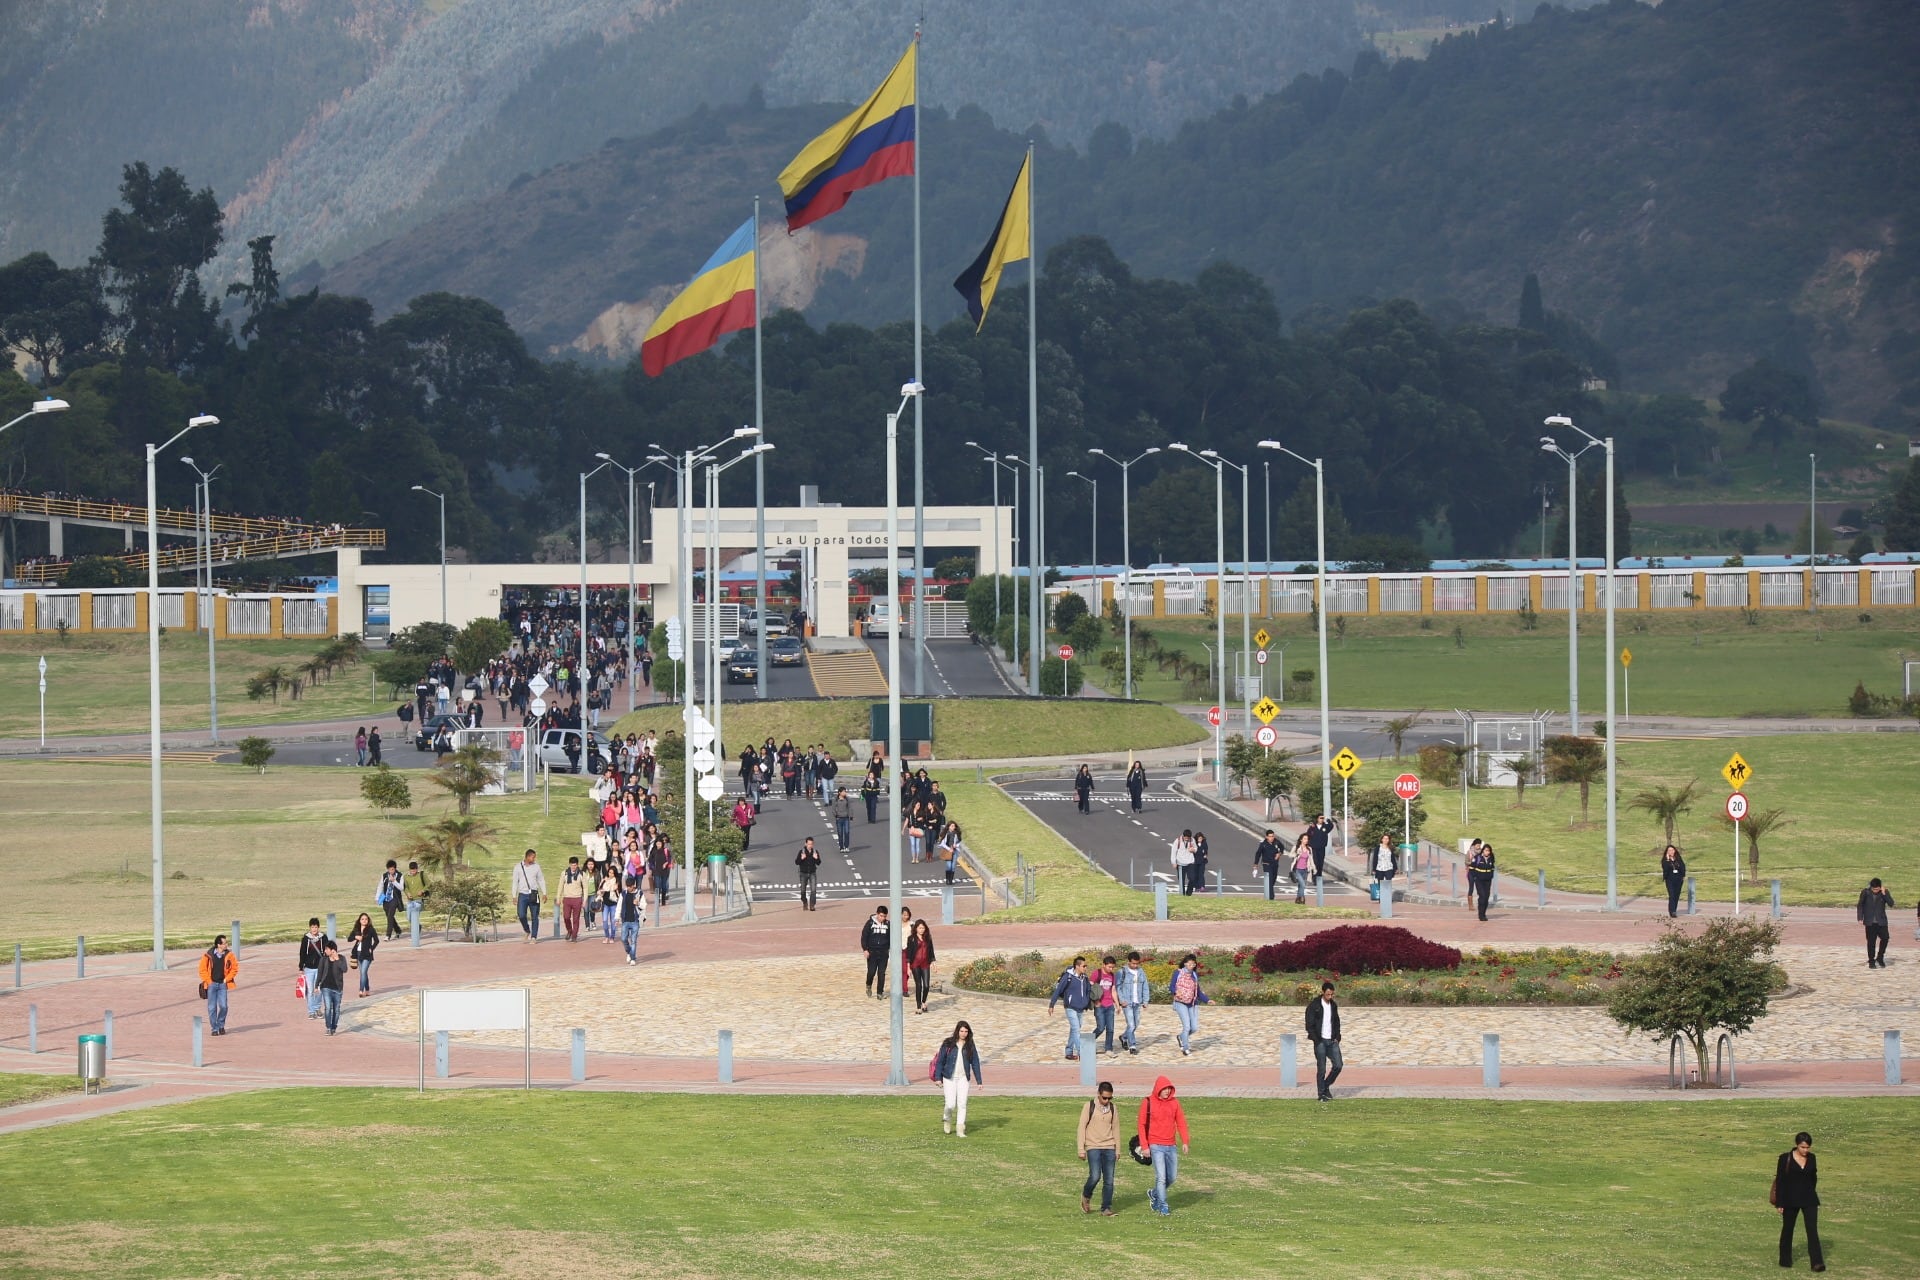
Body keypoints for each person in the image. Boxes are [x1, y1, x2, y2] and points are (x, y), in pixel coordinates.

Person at [1137, 1076, 1189, 1216]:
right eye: (1164, 1089)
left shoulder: (1175, 1103)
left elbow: (1181, 1123)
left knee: (1172, 1177)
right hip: (1155, 1145)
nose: (1167, 1091)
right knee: (1161, 1177)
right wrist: (1145, 1146)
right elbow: (1141, 1125)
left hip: (1171, 1145)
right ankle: (1163, 1206)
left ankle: (1154, 1194)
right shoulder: (1147, 1102)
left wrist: (1185, 1141)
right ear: (1158, 1089)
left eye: (1168, 1089)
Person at [1774, 1131, 1824, 1271]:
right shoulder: (1785, 1158)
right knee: (1788, 1229)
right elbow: (1780, 1181)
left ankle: (1817, 1262)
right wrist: (1780, 1203)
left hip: (1809, 1199)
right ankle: (1785, 1260)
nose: (1805, 1150)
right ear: (1797, 1145)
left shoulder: (1812, 1158)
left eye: (1808, 1147)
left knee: (1812, 1230)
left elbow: (1813, 1177)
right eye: (1803, 1147)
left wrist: (1810, 1191)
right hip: (1790, 1200)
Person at [1077, 1081, 1121, 1216]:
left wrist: (1118, 1149)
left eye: (1109, 1098)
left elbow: (1116, 1129)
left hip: (1109, 1146)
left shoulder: (1113, 1108)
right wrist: (1081, 1149)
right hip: (1093, 1146)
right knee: (1095, 1176)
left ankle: (1106, 1208)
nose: (1107, 1101)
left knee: (1109, 1180)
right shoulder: (1089, 1106)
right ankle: (1086, 1195)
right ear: (1098, 1094)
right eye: (1104, 1098)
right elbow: (1081, 1127)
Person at [933, 1020, 982, 1136]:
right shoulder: (948, 1043)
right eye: (962, 1031)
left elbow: (975, 1062)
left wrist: (979, 1081)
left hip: (963, 1078)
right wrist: (938, 1077)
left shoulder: (970, 1045)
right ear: (957, 1031)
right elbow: (940, 1061)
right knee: (950, 1104)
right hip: (949, 1077)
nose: (964, 1033)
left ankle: (960, 1129)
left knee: (962, 1103)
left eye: (966, 1031)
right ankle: (947, 1119)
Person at [1049, 955, 1095, 1060]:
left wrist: (1087, 1002)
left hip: (1081, 1008)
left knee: (1074, 1030)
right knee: (1076, 1029)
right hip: (1070, 1007)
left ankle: (1069, 1051)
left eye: (1086, 966)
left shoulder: (1085, 978)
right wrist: (1052, 1005)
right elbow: (1058, 990)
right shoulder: (1067, 977)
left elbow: (1088, 991)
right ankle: (1081, 1053)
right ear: (1077, 966)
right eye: (1084, 966)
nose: (1086, 968)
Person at [1307, 980, 1343, 1101]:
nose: (1330, 996)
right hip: (1320, 1041)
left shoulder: (1333, 1005)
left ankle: (1326, 1085)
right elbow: (1309, 1025)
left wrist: (1337, 1037)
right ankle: (1321, 1094)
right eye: (1328, 994)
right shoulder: (1314, 1005)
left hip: (1332, 1041)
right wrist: (1317, 1040)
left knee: (1338, 1065)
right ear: (1323, 992)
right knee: (1322, 1068)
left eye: (1332, 994)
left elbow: (1337, 1022)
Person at [197, 934, 238, 1036]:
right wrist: (209, 981)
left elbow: (234, 968)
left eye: (226, 943)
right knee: (212, 1008)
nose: (227, 945)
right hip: (211, 985)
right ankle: (214, 1029)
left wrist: (226, 979)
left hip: (222, 985)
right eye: (225, 943)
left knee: (224, 1006)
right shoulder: (208, 955)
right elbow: (202, 970)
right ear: (218, 945)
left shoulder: (230, 955)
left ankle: (220, 1025)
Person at [1169, 953, 1210, 1056]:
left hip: (1192, 1003)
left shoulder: (1194, 975)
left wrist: (1207, 1000)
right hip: (1180, 1002)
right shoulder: (1177, 973)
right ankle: (1185, 1048)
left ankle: (1181, 1037)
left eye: (1193, 964)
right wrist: (1176, 992)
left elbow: (1198, 991)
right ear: (1185, 963)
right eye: (1190, 963)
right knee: (1187, 1027)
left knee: (1194, 1028)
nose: (1192, 965)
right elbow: (1171, 987)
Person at [1857, 877, 1895, 968]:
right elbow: (1860, 905)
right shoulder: (1865, 892)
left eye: (1877, 889)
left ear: (1880, 887)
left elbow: (1891, 904)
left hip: (1881, 921)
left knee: (1885, 938)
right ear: (1871, 887)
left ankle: (1880, 957)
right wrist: (1860, 917)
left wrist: (1884, 893)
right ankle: (1871, 961)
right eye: (1874, 889)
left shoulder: (1884, 892)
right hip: (1870, 922)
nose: (1875, 891)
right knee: (1871, 942)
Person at [1117, 951, 1150, 1055]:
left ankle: (1124, 1037)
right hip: (1127, 1003)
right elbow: (1118, 987)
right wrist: (1122, 1000)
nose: (1135, 965)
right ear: (1129, 962)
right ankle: (1132, 1046)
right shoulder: (1122, 972)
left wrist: (1145, 1000)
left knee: (1136, 1024)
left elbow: (1145, 986)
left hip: (1137, 1002)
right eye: (1133, 963)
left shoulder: (1141, 972)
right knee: (1131, 1025)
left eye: (1137, 963)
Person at [512, 849, 547, 943]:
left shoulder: (537, 867)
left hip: (534, 894)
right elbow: (515, 882)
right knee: (521, 915)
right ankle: (527, 930)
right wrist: (514, 896)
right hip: (522, 895)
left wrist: (544, 893)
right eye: (533, 857)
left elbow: (541, 880)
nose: (534, 859)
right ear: (527, 857)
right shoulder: (518, 867)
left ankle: (534, 937)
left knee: (535, 916)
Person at [298, 918, 329, 1020]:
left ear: (318, 927)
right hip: (309, 968)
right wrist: (301, 967)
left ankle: (317, 1009)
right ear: (310, 928)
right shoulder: (306, 939)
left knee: (319, 989)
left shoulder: (323, 938)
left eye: (316, 927)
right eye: (312, 927)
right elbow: (302, 953)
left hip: (320, 968)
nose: (314, 929)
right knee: (310, 990)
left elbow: (327, 951)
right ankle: (311, 1011)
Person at [905, 919, 936, 1013]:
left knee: (926, 985)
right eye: (920, 928)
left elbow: (931, 951)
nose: (922, 930)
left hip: (925, 964)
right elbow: (908, 953)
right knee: (919, 985)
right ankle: (918, 1007)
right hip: (915, 964)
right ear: (916, 928)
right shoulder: (911, 938)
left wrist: (933, 962)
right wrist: (908, 967)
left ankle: (923, 1002)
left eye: (923, 928)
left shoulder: (928, 938)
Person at [317, 940, 348, 1035]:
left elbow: (344, 969)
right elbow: (320, 972)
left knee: (336, 1009)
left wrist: (337, 959)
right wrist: (316, 985)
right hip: (326, 987)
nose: (325, 951)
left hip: (337, 988)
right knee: (328, 1007)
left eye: (327, 949)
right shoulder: (323, 959)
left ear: (333, 950)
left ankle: (334, 1027)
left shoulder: (341, 958)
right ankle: (328, 1027)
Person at [861, 906, 891, 998]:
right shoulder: (870, 923)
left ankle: (879, 992)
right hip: (872, 952)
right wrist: (865, 949)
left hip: (883, 952)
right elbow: (864, 937)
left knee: (881, 973)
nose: (883, 918)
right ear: (877, 914)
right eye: (881, 916)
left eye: (885, 916)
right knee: (871, 972)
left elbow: (891, 937)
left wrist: (889, 949)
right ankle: (868, 985)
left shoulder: (888, 924)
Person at [347, 912, 378, 996]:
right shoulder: (356, 929)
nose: (364, 920)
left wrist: (372, 948)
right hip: (358, 953)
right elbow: (349, 939)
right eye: (362, 919)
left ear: (368, 920)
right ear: (359, 920)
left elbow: (376, 940)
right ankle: (367, 989)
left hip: (367, 954)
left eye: (366, 919)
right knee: (363, 973)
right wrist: (355, 937)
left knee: (363, 972)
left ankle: (361, 990)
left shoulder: (371, 929)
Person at [1092, 956, 1119, 1054]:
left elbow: (1113, 990)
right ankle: (1087, 1042)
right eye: (1109, 967)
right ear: (1104, 965)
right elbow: (1090, 988)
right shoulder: (1097, 973)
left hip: (1110, 1005)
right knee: (1100, 1027)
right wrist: (1095, 1001)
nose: (1111, 969)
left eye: (1112, 967)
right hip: (1099, 1005)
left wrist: (1117, 1004)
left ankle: (1108, 1048)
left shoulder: (1112, 976)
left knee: (1110, 1029)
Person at [559, 856, 588, 942]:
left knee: (576, 919)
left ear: (577, 865)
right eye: (572, 865)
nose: (573, 867)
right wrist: (558, 897)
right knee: (566, 917)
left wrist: (585, 900)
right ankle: (569, 931)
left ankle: (574, 935)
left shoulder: (582, 874)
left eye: (575, 865)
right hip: (567, 898)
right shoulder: (564, 873)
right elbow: (560, 886)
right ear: (569, 865)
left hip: (577, 898)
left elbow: (585, 888)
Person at [618, 874, 645, 965]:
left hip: (635, 920)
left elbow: (644, 905)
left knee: (633, 940)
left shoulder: (639, 893)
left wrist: (638, 904)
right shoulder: (623, 894)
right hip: (625, 920)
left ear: (634, 885)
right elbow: (619, 906)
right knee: (623, 939)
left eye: (630, 886)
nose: (628, 888)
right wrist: (617, 917)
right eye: (627, 886)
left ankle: (633, 958)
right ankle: (629, 952)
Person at [1467, 838, 1495, 920]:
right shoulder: (1477, 858)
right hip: (1479, 881)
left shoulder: (1491, 858)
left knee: (1486, 898)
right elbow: (1471, 868)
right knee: (1482, 896)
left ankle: (1484, 913)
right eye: (1486, 850)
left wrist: (1491, 876)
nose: (1487, 852)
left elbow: (1492, 868)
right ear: (1483, 851)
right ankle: (1481, 914)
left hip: (1488, 881)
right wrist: (1475, 877)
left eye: (1489, 851)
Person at [378, 859, 405, 940]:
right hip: (386, 898)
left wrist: (394, 881)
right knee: (389, 916)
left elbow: (401, 888)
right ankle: (398, 930)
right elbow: (380, 886)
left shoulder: (400, 876)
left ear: (395, 868)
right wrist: (377, 897)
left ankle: (388, 935)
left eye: (392, 869)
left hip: (395, 899)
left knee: (390, 916)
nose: (391, 871)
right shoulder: (384, 875)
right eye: (389, 869)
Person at [1254, 829, 1283, 900]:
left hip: (1275, 864)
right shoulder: (1263, 844)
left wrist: (1279, 854)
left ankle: (1268, 891)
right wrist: (1255, 865)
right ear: (1266, 837)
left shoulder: (1276, 842)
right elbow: (1258, 854)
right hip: (1266, 864)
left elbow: (1282, 847)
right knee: (1269, 880)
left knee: (1273, 879)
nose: (1271, 838)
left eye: (1272, 836)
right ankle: (1271, 897)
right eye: (1270, 836)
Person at [795, 836, 823, 911]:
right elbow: (796, 862)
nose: (810, 845)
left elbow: (819, 863)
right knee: (803, 891)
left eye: (811, 844)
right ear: (806, 844)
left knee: (813, 890)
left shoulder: (815, 852)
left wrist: (816, 858)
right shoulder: (801, 852)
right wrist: (801, 858)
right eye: (809, 844)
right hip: (803, 873)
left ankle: (812, 905)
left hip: (812, 873)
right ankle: (805, 902)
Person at [402, 860, 428, 936]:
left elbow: (429, 884)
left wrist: (422, 891)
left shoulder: (422, 875)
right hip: (410, 900)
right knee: (409, 917)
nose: (413, 872)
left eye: (414, 870)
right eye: (411, 870)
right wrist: (407, 893)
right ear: (409, 869)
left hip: (419, 900)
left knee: (415, 917)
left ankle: (415, 935)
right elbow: (405, 887)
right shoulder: (406, 877)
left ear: (417, 869)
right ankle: (418, 926)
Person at [1660, 844, 1688, 918]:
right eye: (1669, 850)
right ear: (1667, 852)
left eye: (1672, 850)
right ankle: (1672, 911)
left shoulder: (1678, 858)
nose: (1671, 851)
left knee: (1676, 895)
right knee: (1672, 895)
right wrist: (1667, 860)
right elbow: (1665, 869)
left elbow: (1683, 867)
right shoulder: (1665, 860)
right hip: (1670, 880)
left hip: (1678, 879)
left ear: (1675, 851)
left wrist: (1683, 875)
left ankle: (1674, 910)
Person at [1170, 830, 1197, 896]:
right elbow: (1173, 852)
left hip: (1190, 862)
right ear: (1183, 836)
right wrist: (1174, 862)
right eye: (1186, 838)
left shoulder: (1192, 840)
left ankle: (1189, 893)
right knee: (1181, 880)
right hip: (1180, 864)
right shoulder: (1177, 841)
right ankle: (1182, 894)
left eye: (1188, 838)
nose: (1187, 839)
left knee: (1192, 878)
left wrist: (1193, 850)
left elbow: (1196, 848)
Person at [1306, 813, 1332, 881]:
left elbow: (1331, 826)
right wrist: (1307, 844)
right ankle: (1314, 876)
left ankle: (1319, 877)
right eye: (1320, 818)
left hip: (1322, 847)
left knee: (1320, 863)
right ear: (1317, 819)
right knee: (1315, 862)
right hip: (1314, 848)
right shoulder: (1312, 827)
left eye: (1323, 818)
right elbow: (1308, 835)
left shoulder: (1325, 827)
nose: (1322, 819)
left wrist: (1328, 820)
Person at [1291, 835, 1314, 904]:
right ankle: (1302, 898)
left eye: (1307, 839)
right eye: (1305, 839)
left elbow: (1311, 859)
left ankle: (1298, 898)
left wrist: (1313, 868)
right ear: (1301, 840)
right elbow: (1290, 855)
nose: (1306, 840)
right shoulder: (1296, 847)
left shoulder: (1309, 849)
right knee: (1303, 885)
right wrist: (1297, 854)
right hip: (1297, 869)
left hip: (1305, 870)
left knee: (1300, 885)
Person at [831, 786, 853, 852]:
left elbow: (850, 807)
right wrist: (836, 815)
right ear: (839, 792)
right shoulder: (835, 799)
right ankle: (841, 847)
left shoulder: (847, 799)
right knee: (840, 833)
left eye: (845, 791)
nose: (844, 793)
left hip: (846, 818)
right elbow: (833, 808)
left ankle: (846, 846)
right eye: (843, 792)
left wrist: (851, 815)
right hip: (839, 818)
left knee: (847, 832)